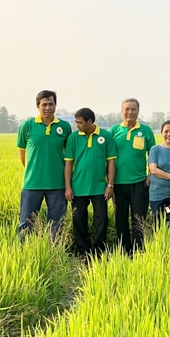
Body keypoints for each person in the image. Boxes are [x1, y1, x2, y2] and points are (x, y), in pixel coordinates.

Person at [17, 90, 72, 237]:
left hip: (57, 184)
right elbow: (21, 151)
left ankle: (54, 249)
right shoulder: (27, 125)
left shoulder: (65, 127)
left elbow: (69, 155)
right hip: (32, 184)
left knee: (57, 224)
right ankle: (25, 249)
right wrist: (33, 170)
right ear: (38, 106)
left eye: (51, 104)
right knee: (26, 223)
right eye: (44, 104)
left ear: (55, 105)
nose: (48, 108)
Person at [64, 108, 116, 256]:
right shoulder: (73, 138)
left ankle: (99, 251)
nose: (77, 125)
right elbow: (68, 163)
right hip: (78, 187)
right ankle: (84, 252)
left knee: (101, 219)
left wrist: (110, 185)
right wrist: (68, 187)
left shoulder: (106, 136)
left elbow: (111, 162)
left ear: (90, 121)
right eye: (76, 122)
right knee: (79, 220)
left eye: (80, 122)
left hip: (100, 186)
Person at [110, 98, 156, 254]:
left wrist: (150, 175)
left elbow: (153, 155)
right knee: (120, 218)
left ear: (138, 111)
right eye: (127, 109)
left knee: (139, 218)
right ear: (121, 111)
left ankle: (139, 251)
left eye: (133, 109)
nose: (130, 112)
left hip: (139, 182)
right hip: (118, 183)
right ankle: (124, 250)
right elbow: (107, 156)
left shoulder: (146, 131)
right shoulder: (114, 131)